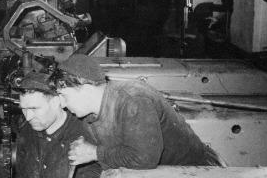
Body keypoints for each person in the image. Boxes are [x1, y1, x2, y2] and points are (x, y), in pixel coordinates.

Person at [54, 54, 223, 170]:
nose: (62, 104)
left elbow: (144, 158)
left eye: (63, 95)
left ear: (85, 87)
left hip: (197, 173)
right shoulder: (88, 116)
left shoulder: (132, 99)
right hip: (159, 176)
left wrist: (93, 152)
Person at [6, 71, 102, 178]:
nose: (28, 117)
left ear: (57, 101)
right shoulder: (26, 134)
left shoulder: (83, 133)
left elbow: (97, 173)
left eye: (34, 109)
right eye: (24, 110)